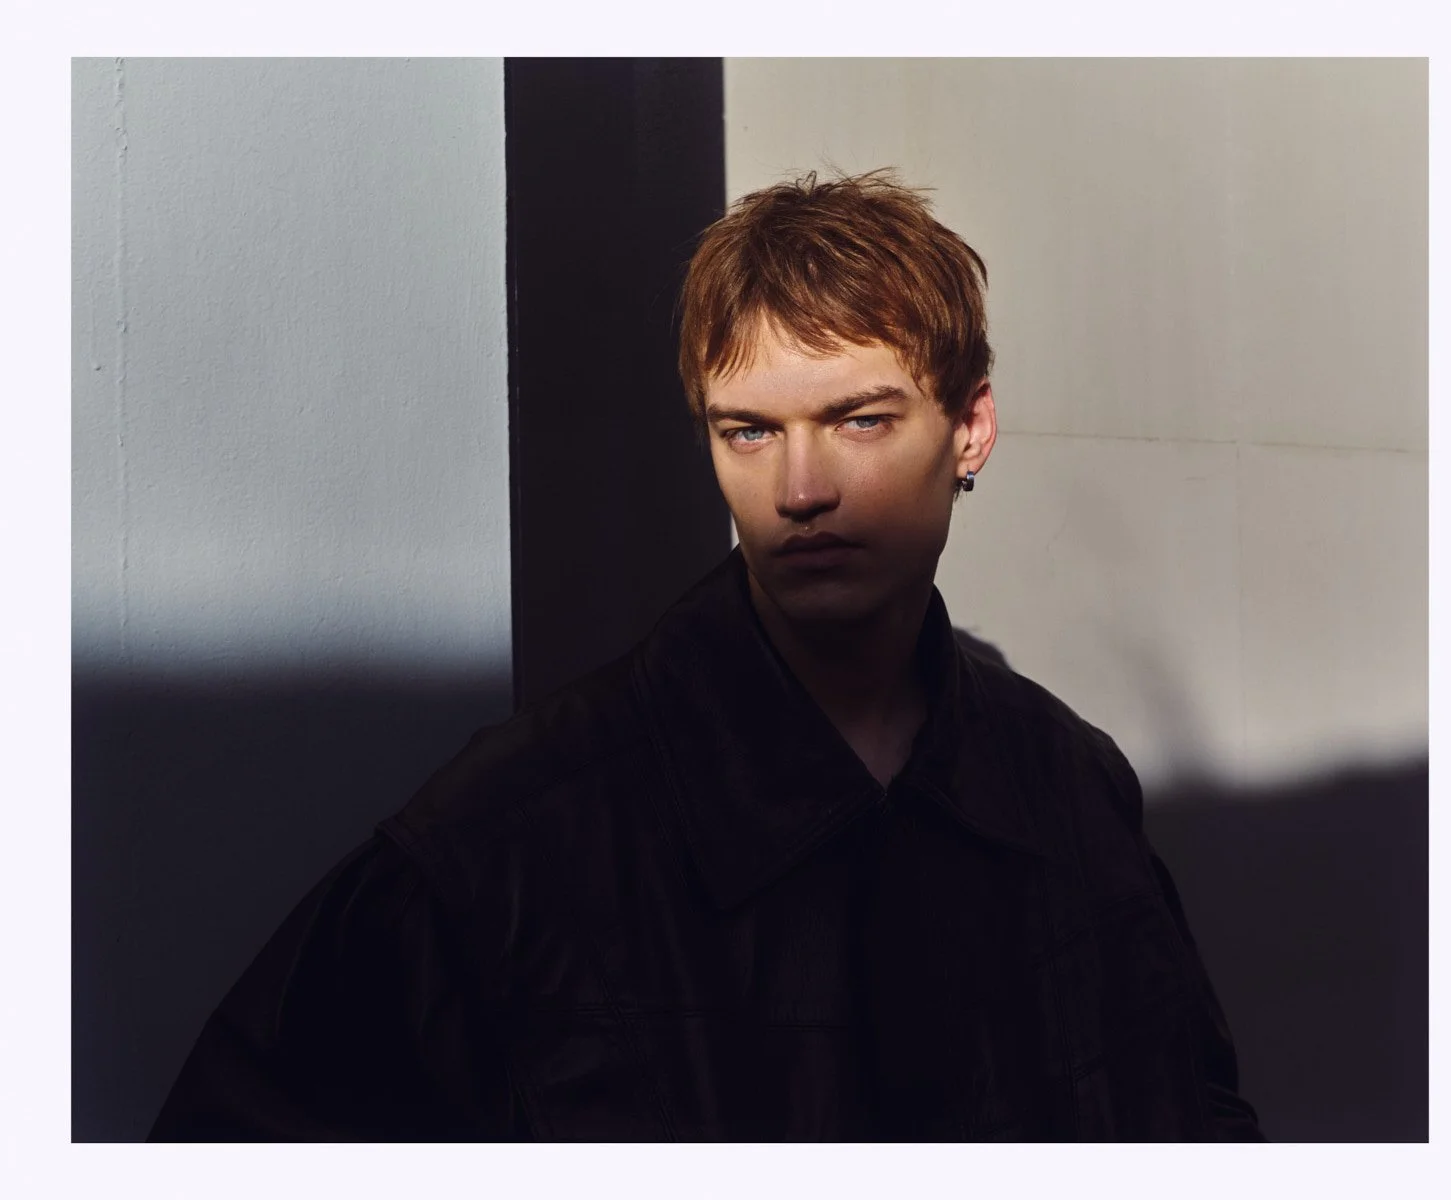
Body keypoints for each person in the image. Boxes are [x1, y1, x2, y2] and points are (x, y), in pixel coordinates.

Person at [149, 169, 1265, 1142]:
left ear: (970, 427)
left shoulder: (1067, 790)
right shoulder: (513, 836)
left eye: (861, 420)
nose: (801, 490)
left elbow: (1197, 1124)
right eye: (751, 431)